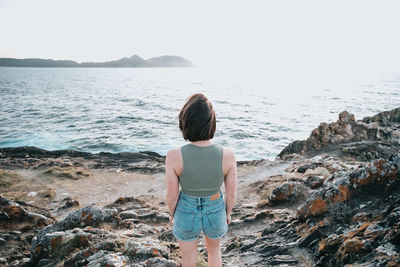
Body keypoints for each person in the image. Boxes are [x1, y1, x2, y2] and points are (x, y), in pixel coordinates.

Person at [165, 93, 238, 267]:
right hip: (215, 207)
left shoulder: (174, 155)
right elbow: (232, 193)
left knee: (188, 257)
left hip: (185, 209)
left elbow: (172, 195)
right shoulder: (228, 155)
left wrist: (173, 213)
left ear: (185, 123)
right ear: (212, 123)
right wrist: (227, 213)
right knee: (214, 252)